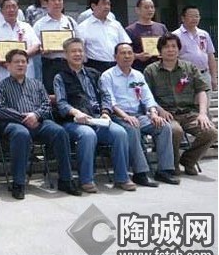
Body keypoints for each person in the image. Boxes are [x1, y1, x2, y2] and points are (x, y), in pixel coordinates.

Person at [0, 49, 81, 199]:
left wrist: (36, 115)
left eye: (23, 62)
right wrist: (24, 118)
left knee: (59, 132)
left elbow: (46, 104)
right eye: (16, 62)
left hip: (38, 122)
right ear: (8, 65)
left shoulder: (37, 84)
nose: (21, 64)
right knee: (21, 134)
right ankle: (18, 183)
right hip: (13, 124)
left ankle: (66, 179)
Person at [53, 38, 135, 192]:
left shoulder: (94, 74)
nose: (78, 54)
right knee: (87, 135)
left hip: (98, 118)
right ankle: (86, 180)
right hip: (75, 121)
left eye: (80, 51)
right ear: (66, 54)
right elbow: (61, 103)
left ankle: (122, 178)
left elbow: (106, 96)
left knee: (120, 133)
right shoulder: (60, 77)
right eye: (73, 51)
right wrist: (76, 112)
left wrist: (105, 112)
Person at [100, 43, 180, 186]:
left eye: (130, 53)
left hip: (139, 114)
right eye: (123, 53)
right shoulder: (107, 76)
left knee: (164, 126)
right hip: (118, 116)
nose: (127, 56)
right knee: (132, 128)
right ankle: (140, 173)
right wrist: (125, 116)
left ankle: (164, 170)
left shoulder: (138, 75)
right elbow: (110, 101)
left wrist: (154, 114)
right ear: (115, 57)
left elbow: (147, 98)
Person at [144, 33, 218, 175]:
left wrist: (202, 114)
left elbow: (202, 90)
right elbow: (147, 96)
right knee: (175, 131)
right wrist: (160, 110)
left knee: (211, 132)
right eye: (166, 47)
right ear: (160, 51)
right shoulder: (151, 70)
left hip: (189, 113)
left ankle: (189, 160)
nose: (170, 50)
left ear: (179, 49)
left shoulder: (189, 68)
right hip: (167, 115)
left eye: (174, 46)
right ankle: (173, 164)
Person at [33, 0, 78, 93]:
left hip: (69, 64)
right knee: (51, 93)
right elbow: (35, 45)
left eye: (59, 0)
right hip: (49, 65)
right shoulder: (39, 24)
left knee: (71, 93)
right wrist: (41, 49)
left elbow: (79, 41)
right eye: (53, 0)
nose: (57, 3)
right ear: (46, 3)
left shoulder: (70, 22)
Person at [77, 0, 131, 73]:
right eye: (103, 4)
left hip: (116, 65)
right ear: (93, 6)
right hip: (94, 66)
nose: (107, 7)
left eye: (108, 4)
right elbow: (80, 49)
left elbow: (124, 43)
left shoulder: (116, 24)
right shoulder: (83, 27)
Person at [0, 0, 40, 84]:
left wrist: (21, 56)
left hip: (27, 75)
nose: (11, 10)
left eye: (14, 7)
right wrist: (9, 66)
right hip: (4, 75)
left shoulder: (27, 27)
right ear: (1, 11)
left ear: (18, 9)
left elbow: (36, 45)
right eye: (7, 7)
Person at [172, 5, 218, 91]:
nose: (194, 19)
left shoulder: (204, 34)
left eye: (197, 16)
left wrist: (214, 77)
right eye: (191, 16)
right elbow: (172, 57)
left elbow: (210, 56)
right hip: (185, 76)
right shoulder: (175, 35)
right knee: (186, 98)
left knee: (205, 99)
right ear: (183, 18)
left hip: (204, 75)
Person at [125, 0, 168, 72]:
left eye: (152, 7)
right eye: (146, 7)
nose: (150, 10)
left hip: (161, 68)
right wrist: (138, 56)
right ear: (137, 10)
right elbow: (125, 53)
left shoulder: (161, 27)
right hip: (140, 69)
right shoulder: (130, 30)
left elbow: (168, 45)